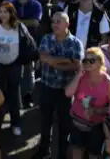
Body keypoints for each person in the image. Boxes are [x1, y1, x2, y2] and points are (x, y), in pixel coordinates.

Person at [36, 11, 84, 159]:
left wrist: (53, 61)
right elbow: (44, 58)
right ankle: (44, 151)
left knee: (65, 126)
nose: (54, 24)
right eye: (53, 22)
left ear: (67, 24)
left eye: (58, 21)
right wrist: (65, 61)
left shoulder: (76, 43)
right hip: (47, 86)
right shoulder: (46, 38)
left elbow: (76, 66)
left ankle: (62, 155)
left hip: (66, 90)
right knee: (45, 122)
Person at [66, 47, 110, 159]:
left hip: (96, 126)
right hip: (77, 122)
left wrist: (96, 110)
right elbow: (68, 93)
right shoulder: (81, 76)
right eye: (85, 60)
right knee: (76, 152)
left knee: (93, 155)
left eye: (92, 60)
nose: (88, 63)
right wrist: (78, 75)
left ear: (100, 62)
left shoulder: (107, 82)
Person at [0, 1, 24, 135]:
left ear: (11, 13)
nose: (3, 14)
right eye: (0, 12)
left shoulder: (19, 27)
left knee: (13, 95)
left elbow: (27, 44)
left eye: (5, 11)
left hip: (14, 65)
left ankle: (16, 123)